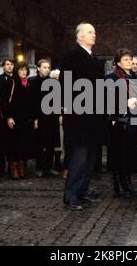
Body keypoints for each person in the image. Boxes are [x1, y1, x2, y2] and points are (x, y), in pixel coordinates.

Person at [60, 23, 105, 211]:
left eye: (94, 32)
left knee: (90, 158)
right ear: (79, 36)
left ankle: (82, 192)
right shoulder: (73, 56)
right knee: (79, 158)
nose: (94, 35)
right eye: (89, 32)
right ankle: (70, 196)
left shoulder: (94, 58)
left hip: (94, 117)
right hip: (79, 116)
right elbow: (65, 83)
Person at [106, 49, 137, 197]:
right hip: (118, 123)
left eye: (130, 59)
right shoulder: (111, 78)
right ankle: (119, 186)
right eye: (126, 60)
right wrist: (125, 103)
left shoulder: (133, 77)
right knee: (118, 155)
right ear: (118, 62)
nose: (129, 62)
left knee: (129, 155)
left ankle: (127, 184)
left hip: (132, 121)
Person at [2, 61, 38, 180]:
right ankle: (14, 169)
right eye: (21, 70)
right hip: (15, 119)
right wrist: (9, 117)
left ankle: (22, 168)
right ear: (17, 71)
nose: (23, 72)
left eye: (25, 70)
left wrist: (34, 118)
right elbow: (5, 102)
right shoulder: (11, 82)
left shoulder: (29, 84)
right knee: (13, 144)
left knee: (24, 144)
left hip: (27, 120)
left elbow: (34, 103)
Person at [30, 59, 61, 177]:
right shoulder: (32, 82)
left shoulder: (52, 82)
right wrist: (35, 118)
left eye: (48, 67)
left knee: (51, 144)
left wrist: (58, 115)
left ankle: (48, 167)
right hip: (39, 117)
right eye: (44, 67)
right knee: (39, 143)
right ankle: (39, 167)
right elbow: (32, 102)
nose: (47, 69)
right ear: (38, 68)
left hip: (51, 117)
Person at [0, 58, 14, 177]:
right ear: (3, 66)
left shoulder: (15, 79)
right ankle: (1, 168)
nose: (10, 66)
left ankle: (11, 168)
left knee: (12, 143)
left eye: (11, 64)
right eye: (7, 64)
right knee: (1, 144)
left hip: (13, 115)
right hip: (1, 115)